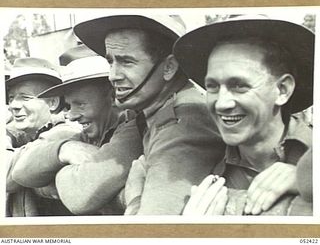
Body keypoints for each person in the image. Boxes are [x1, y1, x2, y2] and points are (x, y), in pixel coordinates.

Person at [74, 15, 225, 214]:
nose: (112, 76)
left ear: (169, 67)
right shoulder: (152, 111)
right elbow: (77, 195)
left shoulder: (185, 123)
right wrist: (65, 148)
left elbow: (154, 231)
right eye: (110, 62)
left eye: (127, 62)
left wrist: (135, 197)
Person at [173, 17, 313, 215]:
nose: (222, 103)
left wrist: (306, 179)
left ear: (282, 90)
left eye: (239, 86)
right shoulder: (200, 165)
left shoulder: (312, 155)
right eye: (212, 87)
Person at [11, 45, 143, 215]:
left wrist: (56, 173)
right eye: (69, 105)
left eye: (80, 104)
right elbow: (20, 173)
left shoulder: (133, 131)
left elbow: (79, 197)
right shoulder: (85, 136)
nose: (71, 116)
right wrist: (63, 150)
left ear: (113, 97)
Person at [6, 57, 75, 216]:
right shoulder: (28, 136)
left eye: (25, 97)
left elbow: (6, 176)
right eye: (11, 98)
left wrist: (6, 133)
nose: (14, 106)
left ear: (52, 103)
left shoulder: (66, 132)